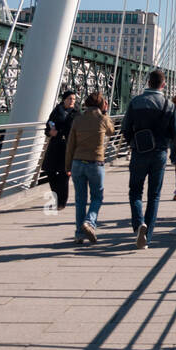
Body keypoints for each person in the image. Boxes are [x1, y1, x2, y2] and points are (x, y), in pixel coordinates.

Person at [121, 69, 176, 249]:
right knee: (154, 195)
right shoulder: (169, 105)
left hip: (139, 152)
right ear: (163, 84)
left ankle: (139, 224)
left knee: (135, 191)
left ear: (148, 82)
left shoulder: (136, 102)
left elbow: (125, 128)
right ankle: (148, 236)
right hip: (160, 153)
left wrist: (134, 141)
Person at [65, 92, 115, 245]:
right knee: (97, 197)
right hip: (95, 162)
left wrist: (68, 166)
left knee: (80, 200)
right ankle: (90, 222)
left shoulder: (78, 119)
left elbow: (70, 144)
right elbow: (111, 131)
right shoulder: (102, 119)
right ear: (101, 105)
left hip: (78, 163)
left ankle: (79, 234)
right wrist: (105, 112)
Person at [43, 89, 77, 211]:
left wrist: (60, 132)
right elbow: (48, 125)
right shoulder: (57, 111)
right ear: (64, 100)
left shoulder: (76, 113)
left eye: (74, 99)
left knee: (64, 174)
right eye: (70, 99)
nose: (72, 101)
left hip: (68, 147)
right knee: (50, 171)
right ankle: (56, 196)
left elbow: (76, 131)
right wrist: (49, 132)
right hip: (55, 145)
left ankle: (62, 201)